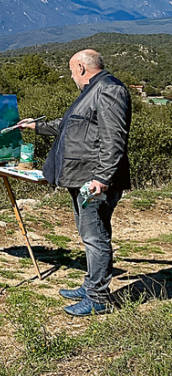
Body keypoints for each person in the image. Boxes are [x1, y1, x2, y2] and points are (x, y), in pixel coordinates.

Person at [20, 49, 130, 316]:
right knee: (88, 234)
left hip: (93, 180)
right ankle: (91, 285)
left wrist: (103, 178)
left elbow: (113, 139)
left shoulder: (108, 90)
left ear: (81, 67)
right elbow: (72, 126)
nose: (71, 76)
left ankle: (98, 298)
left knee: (95, 236)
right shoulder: (93, 90)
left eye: (71, 70)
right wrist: (36, 126)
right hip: (82, 177)